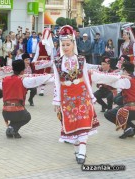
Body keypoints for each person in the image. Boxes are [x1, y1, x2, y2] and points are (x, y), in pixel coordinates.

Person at [53, 25, 100, 164]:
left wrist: (91, 96)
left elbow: (86, 78)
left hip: (81, 94)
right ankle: (76, 150)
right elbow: (56, 81)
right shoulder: (57, 62)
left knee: (84, 121)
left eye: (68, 44)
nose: (66, 47)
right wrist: (56, 100)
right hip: (67, 96)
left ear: (73, 44)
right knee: (72, 123)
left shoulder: (81, 59)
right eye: (63, 44)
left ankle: (82, 151)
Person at [2, 60, 53, 138]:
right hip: (17, 111)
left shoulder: (5, 79)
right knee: (27, 116)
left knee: (18, 114)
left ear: (13, 69)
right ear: (23, 70)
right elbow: (40, 79)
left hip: (5, 112)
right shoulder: (24, 80)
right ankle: (13, 128)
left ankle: (11, 128)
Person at [92, 62, 135, 139]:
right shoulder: (132, 79)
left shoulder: (127, 80)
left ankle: (127, 128)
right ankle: (131, 128)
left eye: (121, 69)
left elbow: (114, 84)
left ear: (124, 70)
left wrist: (104, 79)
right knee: (117, 109)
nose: (120, 70)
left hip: (131, 108)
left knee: (109, 114)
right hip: (130, 107)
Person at [32, 28, 54, 96]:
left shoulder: (44, 43)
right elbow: (37, 53)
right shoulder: (43, 43)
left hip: (43, 60)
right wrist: (34, 60)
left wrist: (34, 60)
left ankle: (41, 90)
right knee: (41, 74)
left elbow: (37, 53)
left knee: (43, 74)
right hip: (44, 60)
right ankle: (39, 89)